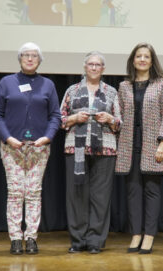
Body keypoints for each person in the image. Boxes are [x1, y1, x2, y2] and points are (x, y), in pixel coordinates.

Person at [0, 42, 61, 255]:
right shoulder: (6, 82)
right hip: (12, 147)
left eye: (34, 56)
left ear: (39, 61)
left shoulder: (47, 84)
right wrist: (7, 137)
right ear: (19, 59)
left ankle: (31, 237)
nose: (30, 59)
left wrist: (48, 137)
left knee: (33, 193)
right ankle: (15, 238)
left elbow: (55, 115)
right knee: (15, 193)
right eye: (26, 55)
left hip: (38, 148)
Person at [61, 51, 121, 254]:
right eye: (91, 64)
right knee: (76, 195)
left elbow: (120, 122)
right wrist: (74, 118)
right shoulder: (72, 89)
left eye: (98, 65)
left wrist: (110, 119)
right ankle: (78, 241)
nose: (94, 68)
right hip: (75, 147)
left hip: (105, 148)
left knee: (101, 196)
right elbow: (60, 119)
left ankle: (95, 241)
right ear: (85, 67)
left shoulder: (111, 91)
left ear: (103, 69)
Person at [115, 42, 163, 254]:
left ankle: (149, 235)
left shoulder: (162, 84)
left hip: (153, 145)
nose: (142, 59)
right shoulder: (124, 86)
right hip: (129, 146)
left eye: (146, 56)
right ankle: (135, 234)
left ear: (151, 61)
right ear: (133, 60)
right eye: (138, 56)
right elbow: (119, 115)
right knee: (132, 192)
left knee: (152, 191)